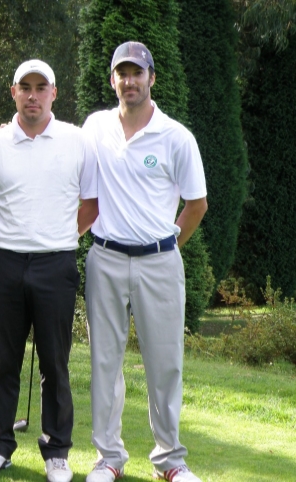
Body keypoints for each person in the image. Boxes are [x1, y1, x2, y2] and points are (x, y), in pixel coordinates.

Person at [78, 42, 208, 482]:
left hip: (159, 262)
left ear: (152, 78)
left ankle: (170, 461)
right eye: (122, 73)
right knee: (104, 363)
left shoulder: (176, 136)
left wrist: (168, 247)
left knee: (165, 363)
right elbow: (59, 154)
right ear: (112, 79)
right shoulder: (95, 127)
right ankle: (108, 458)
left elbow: (196, 205)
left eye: (138, 73)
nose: (129, 81)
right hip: (105, 258)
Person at [0, 59, 95, 482]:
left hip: (56, 263)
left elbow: (91, 206)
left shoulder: (77, 142)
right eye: (26, 87)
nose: (34, 95)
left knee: (55, 363)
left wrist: (59, 237)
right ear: (14, 92)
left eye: (42, 87)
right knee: (4, 361)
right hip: (5, 262)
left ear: (54, 94)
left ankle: (57, 451)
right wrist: (16, 235)